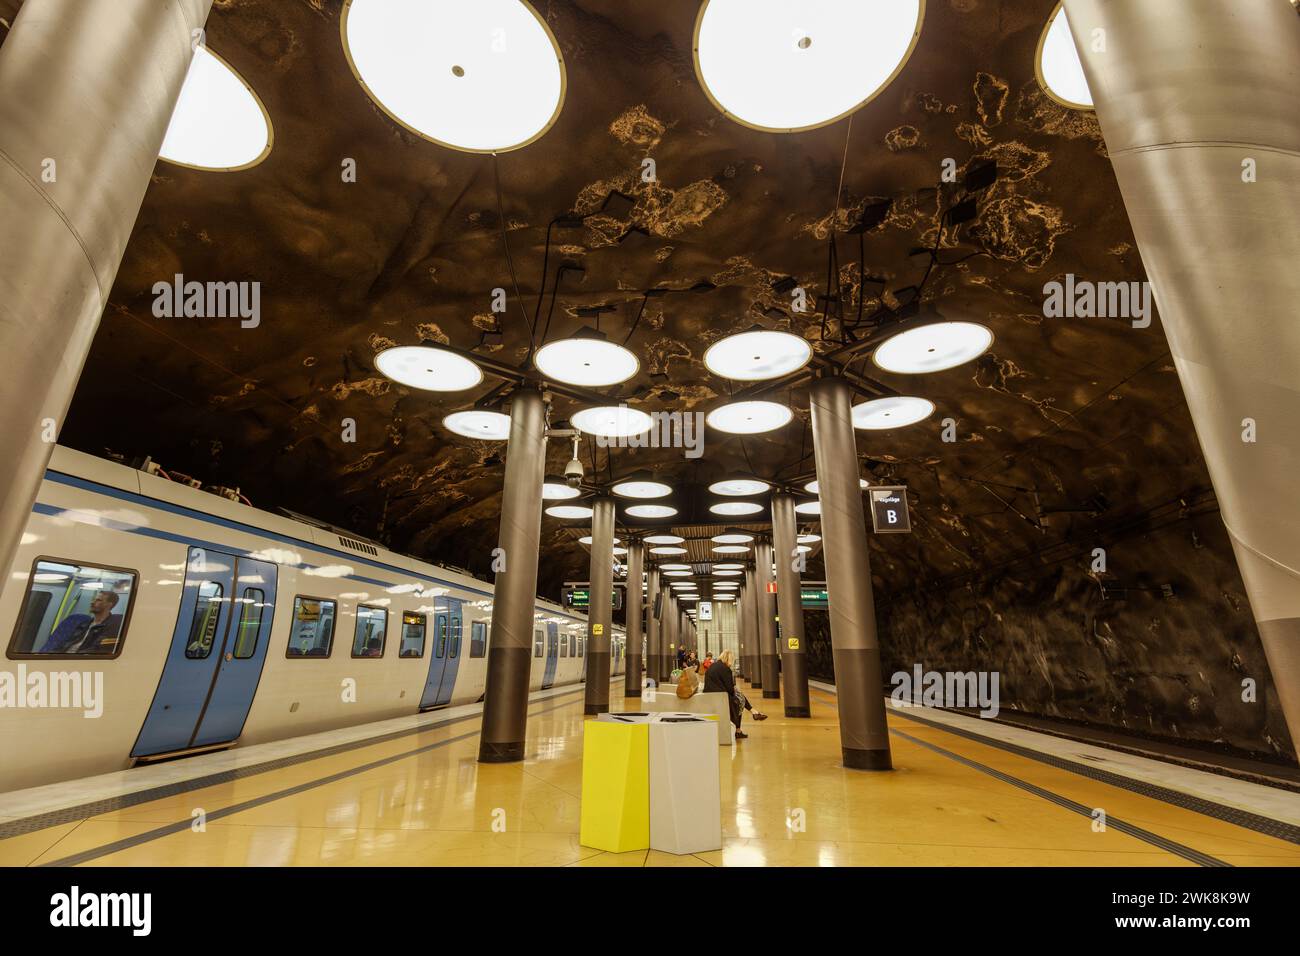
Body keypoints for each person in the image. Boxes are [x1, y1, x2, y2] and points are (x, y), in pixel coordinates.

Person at [43, 590, 124, 654]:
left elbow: (96, 650)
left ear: (109, 605)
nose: (92, 602)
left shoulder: (112, 626)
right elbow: (66, 643)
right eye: (94, 600)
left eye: (98, 600)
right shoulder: (84, 624)